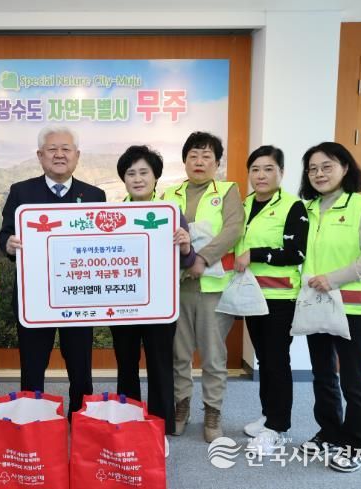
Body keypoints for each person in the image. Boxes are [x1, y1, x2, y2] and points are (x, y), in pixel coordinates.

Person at [0, 125, 106, 418]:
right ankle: (35, 420)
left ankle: (80, 418)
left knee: (80, 366)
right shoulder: (21, 191)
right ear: (40, 155)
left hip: (79, 295)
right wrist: (8, 243)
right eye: (52, 149)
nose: (59, 155)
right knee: (33, 365)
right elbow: (5, 233)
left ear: (77, 155)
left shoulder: (94, 194)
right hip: (35, 296)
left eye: (66, 149)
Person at [297, 142, 361, 473]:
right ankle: (330, 432)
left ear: (345, 168)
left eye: (327, 166)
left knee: (353, 380)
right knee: (323, 375)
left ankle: (359, 443)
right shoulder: (307, 209)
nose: (319, 173)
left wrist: (333, 279)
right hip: (316, 305)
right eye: (313, 168)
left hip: (353, 308)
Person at [110, 145, 196, 457]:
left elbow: (188, 261)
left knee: (161, 366)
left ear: (155, 177)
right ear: (124, 179)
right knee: (126, 366)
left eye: (143, 172)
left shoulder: (170, 213)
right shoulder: (112, 215)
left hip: (159, 305)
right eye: (130, 173)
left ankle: (159, 429)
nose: (137, 178)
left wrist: (185, 246)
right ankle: (130, 424)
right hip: (122, 304)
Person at [162, 131, 244, 443]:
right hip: (178, 288)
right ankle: (181, 407)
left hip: (212, 287)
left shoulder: (227, 190)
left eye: (206, 156)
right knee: (179, 354)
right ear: (184, 161)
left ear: (217, 163)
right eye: (193, 156)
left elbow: (233, 230)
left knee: (213, 355)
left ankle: (212, 412)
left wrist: (202, 258)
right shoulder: (169, 194)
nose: (199, 161)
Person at [233, 146, 308, 454]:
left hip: (280, 297)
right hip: (252, 295)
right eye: (255, 169)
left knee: (277, 360)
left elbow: (296, 253)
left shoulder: (293, 206)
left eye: (268, 169)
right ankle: (268, 416)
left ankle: (278, 427)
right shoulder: (245, 204)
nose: (261, 175)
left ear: (281, 173)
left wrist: (255, 253)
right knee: (264, 358)